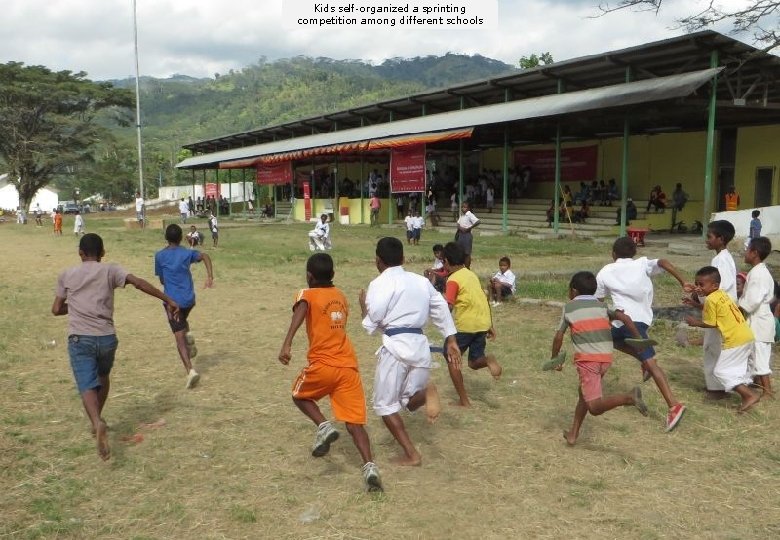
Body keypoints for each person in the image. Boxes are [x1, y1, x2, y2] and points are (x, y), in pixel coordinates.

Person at [52, 233, 180, 460]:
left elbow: (56, 309)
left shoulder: (67, 274)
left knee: (86, 384)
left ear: (80, 253)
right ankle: (97, 420)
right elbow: (139, 283)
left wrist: (78, 307)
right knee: (103, 376)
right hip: (107, 338)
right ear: (102, 253)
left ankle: (96, 422)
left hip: (80, 338)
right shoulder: (111, 270)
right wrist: (167, 300)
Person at [278, 253, 383, 492]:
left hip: (323, 365)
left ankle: (323, 426)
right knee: (355, 424)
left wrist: (287, 343)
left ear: (309, 276)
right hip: (348, 367)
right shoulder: (341, 297)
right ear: (333, 275)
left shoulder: (307, 294)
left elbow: (301, 311)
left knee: (299, 396)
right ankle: (370, 467)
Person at [359, 237, 461, 466]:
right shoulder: (420, 282)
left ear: (377, 261)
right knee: (407, 402)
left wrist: (362, 307)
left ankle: (412, 454)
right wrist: (451, 338)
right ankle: (425, 393)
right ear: (403, 259)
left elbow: (371, 322)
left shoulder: (379, 284)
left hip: (396, 348)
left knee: (385, 406)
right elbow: (441, 308)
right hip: (420, 346)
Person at [595, 237, 688, 431]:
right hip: (639, 321)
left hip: (623, 321)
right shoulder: (642, 264)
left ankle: (674, 405)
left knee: (645, 359)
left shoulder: (605, 270)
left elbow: (598, 300)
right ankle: (644, 359)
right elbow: (663, 262)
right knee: (616, 341)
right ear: (634, 252)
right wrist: (683, 281)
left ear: (613, 254)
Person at [550, 271, 649, 446]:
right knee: (584, 395)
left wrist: (554, 359)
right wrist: (639, 341)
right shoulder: (601, 306)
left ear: (573, 291)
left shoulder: (569, 307)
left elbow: (559, 336)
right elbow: (624, 317)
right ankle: (573, 434)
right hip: (605, 358)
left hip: (588, 361)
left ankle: (629, 397)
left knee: (594, 407)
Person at [685, 266, 759, 413]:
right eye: (697, 284)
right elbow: (714, 310)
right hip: (746, 335)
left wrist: (695, 323)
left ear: (715, 285)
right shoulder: (721, 294)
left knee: (721, 371)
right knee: (733, 369)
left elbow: (711, 323)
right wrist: (695, 303)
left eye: (701, 285)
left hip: (735, 340)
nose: (698, 288)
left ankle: (749, 395)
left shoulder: (711, 299)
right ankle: (746, 395)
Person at [442, 242, 502, 407]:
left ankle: (464, 401)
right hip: (481, 324)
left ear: (446, 261)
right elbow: (482, 299)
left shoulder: (453, 279)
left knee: (451, 359)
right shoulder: (470, 275)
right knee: (474, 362)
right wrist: (489, 324)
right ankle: (488, 360)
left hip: (465, 326)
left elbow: (448, 305)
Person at [154, 224, 214, 389]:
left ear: (166, 238)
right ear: (181, 238)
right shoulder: (187, 253)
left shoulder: (160, 256)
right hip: (189, 300)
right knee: (182, 324)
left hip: (174, 303)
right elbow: (205, 256)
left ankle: (190, 370)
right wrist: (210, 276)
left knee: (178, 337)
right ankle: (188, 335)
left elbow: (161, 279)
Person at [685, 220, 738, 399]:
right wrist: (697, 293)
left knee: (713, 349)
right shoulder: (725, 258)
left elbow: (717, 288)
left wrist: (697, 293)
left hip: (719, 311)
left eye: (709, 237)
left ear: (721, 239)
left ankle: (717, 389)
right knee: (714, 349)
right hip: (723, 309)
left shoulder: (720, 260)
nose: (706, 240)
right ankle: (717, 387)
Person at [739, 237, 775, 398]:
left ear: (754, 253)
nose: (744, 253)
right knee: (753, 355)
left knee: (760, 356)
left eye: (747, 250)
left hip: (760, 320)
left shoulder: (759, 274)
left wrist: (737, 310)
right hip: (757, 318)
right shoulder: (757, 271)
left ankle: (767, 391)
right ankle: (755, 384)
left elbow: (752, 301)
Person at [455, 201, 480, 269]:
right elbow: (458, 223)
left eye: (465, 207)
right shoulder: (462, 215)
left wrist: (469, 228)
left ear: (468, 208)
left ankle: (467, 267)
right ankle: (461, 267)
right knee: (460, 252)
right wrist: (460, 228)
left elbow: (478, 221)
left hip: (467, 235)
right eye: (462, 207)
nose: (463, 208)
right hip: (461, 234)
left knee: (467, 253)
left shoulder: (470, 215)